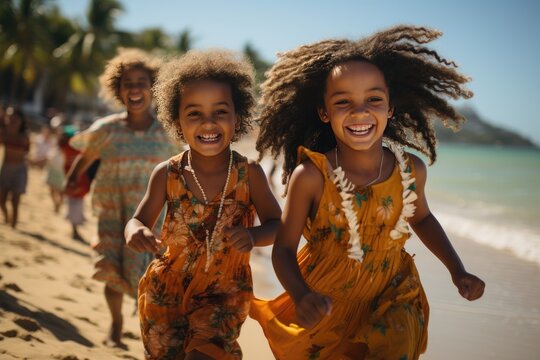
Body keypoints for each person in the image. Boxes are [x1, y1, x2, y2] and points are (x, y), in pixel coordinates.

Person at [250, 25, 486, 359]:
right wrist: (301, 296)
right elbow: (284, 249)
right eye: (343, 101)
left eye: (373, 99)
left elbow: (423, 218)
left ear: (390, 108)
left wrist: (457, 270)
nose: (360, 111)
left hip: (393, 292)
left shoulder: (410, 170)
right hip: (326, 297)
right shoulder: (312, 176)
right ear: (324, 112)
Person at [124, 49, 281, 360]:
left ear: (238, 118)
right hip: (164, 291)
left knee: (206, 354)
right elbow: (137, 220)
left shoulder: (249, 174)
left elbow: (279, 225)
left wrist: (252, 237)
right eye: (194, 113)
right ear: (177, 121)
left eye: (220, 112)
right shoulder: (167, 173)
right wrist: (136, 233)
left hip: (224, 294)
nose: (208, 123)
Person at [65, 48, 178, 349]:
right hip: (112, 212)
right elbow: (86, 156)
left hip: (152, 217)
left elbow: (185, 169)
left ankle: (147, 331)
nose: (135, 88)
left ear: (154, 89)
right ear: (118, 90)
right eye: (128, 83)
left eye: (142, 82)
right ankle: (115, 325)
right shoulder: (108, 129)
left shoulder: (167, 134)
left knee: (149, 276)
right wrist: (72, 179)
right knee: (111, 271)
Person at [0, 106, 30, 228]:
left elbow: (27, 152)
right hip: (6, 169)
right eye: (9, 117)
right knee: (1, 199)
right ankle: (7, 216)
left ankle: (14, 224)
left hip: (20, 170)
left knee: (15, 200)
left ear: (20, 120)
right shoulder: (4, 134)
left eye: (15, 118)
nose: (12, 120)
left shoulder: (24, 137)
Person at [60, 125, 90, 241]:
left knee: (76, 207)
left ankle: (75, 230)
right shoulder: (70, 148)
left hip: (78, 183)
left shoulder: (74, 149)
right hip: (75, 182)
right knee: (74, 207)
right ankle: (74, 231)